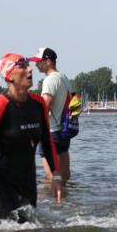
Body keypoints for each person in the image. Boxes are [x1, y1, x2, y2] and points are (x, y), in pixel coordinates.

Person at [0, 53, 63, 222]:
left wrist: (56, 176)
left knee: (31, 231)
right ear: (9, 76)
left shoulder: (38, 103)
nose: (30, 70)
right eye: (22, 66)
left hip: (27, 179)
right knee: (13, 228)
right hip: (0, 181)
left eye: (28, 65)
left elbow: (47, 142)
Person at [30, 47, 74, 183]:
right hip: (65, 131)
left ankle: (51, 203)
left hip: (51, 133)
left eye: (39, 61)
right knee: (64, 176)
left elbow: (45, 106)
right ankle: (66, 202)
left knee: (51, 179)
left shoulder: (49, 81)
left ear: (48, 61)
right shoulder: (65, 78)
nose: (36, 64)